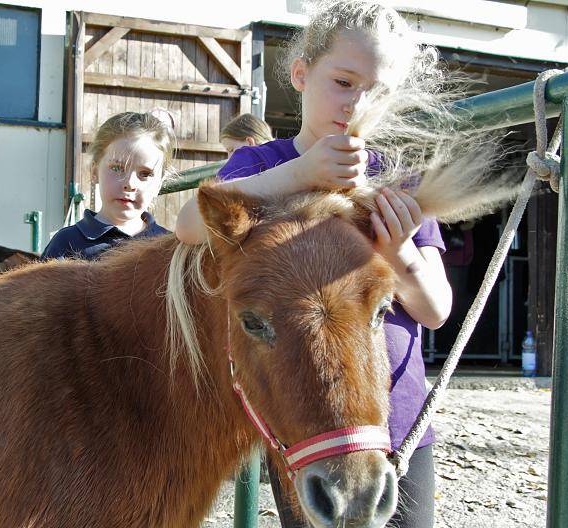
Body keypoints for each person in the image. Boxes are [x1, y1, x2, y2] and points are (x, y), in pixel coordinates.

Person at [175, 2, 459, 527]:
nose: (357, 104)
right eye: (345, 81)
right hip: (304, 419)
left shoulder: (399, 180)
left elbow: (435, 308)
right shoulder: (262, 166)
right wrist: (299, 173)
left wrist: (398, 253)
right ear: (301, 73)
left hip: (399, 419)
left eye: (378, 92)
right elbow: (189, 223)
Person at [42, 110, 174, 259]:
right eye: (117, 168)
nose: (130, 184)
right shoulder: (65, 244)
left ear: (159, 184)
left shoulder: (169, 248)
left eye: (145, 173)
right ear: (94, 172)